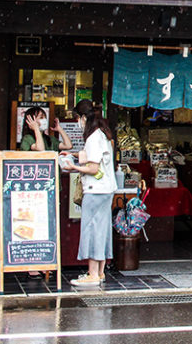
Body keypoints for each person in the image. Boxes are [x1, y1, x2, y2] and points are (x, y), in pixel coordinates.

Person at [67, 100, 116, 288]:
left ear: (84, 118)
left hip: (96, 190)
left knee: (92, 229)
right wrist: (75, 156)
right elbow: (96, 160)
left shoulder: (93, 137)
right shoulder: (101, 134)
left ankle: (93, 274)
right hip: (105, 190)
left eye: (78, 118)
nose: (78, 122)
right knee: (102, 229)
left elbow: (94, 168)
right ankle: (100, 272)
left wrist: (73, 166)